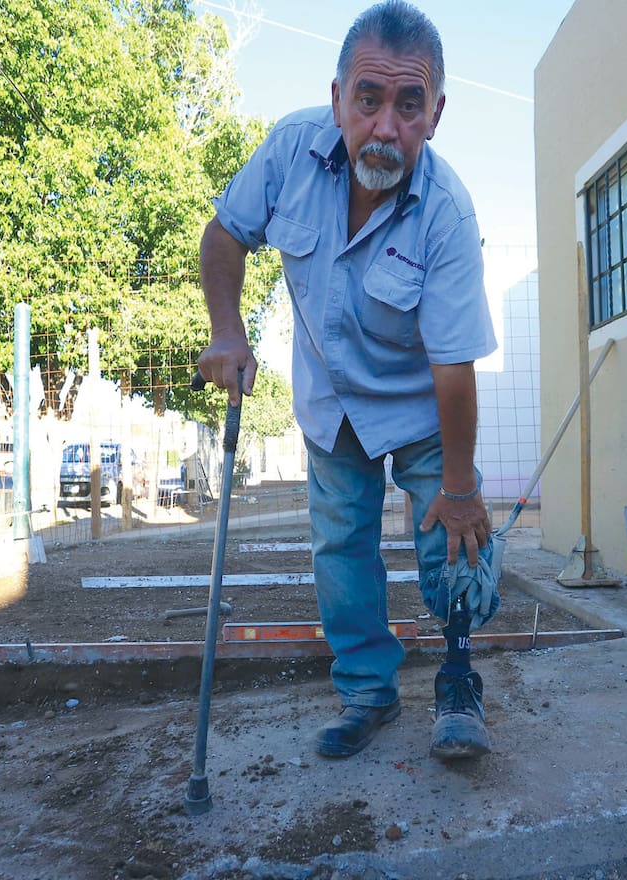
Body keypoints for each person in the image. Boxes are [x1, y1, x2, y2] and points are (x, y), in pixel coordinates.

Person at [197, 0, 501, 760]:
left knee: (457, 547)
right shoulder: (290, 151)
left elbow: (455, 365)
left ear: (435, 114)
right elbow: (225, 236)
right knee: (341, 549)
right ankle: (368, 692)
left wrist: (459, 489)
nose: (385, 126)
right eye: (368, 99)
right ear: (338, 99)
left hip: (425, 407)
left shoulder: (448, 215)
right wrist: (226, 331)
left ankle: (459, 671)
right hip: (332, 402)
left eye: (408, 104)